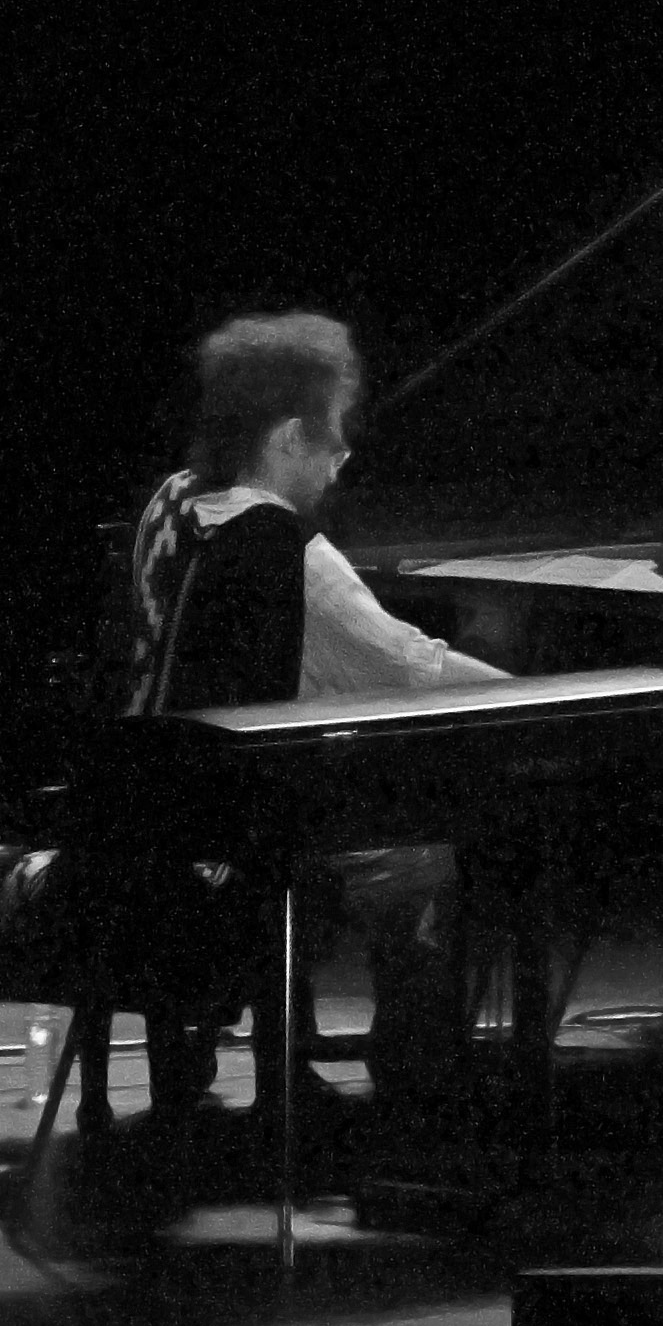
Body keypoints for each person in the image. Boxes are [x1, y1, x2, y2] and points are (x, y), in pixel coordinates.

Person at [122, 312, 509, 1107]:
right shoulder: (278, 541)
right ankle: (414, 1073)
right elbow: (409, 666)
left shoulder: (176, 501)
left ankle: (285, 1059)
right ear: (291, 435)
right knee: (421, 856)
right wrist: (522, 686)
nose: (344, 454)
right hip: (230, 828)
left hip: (146, 797)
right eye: (333, 435)